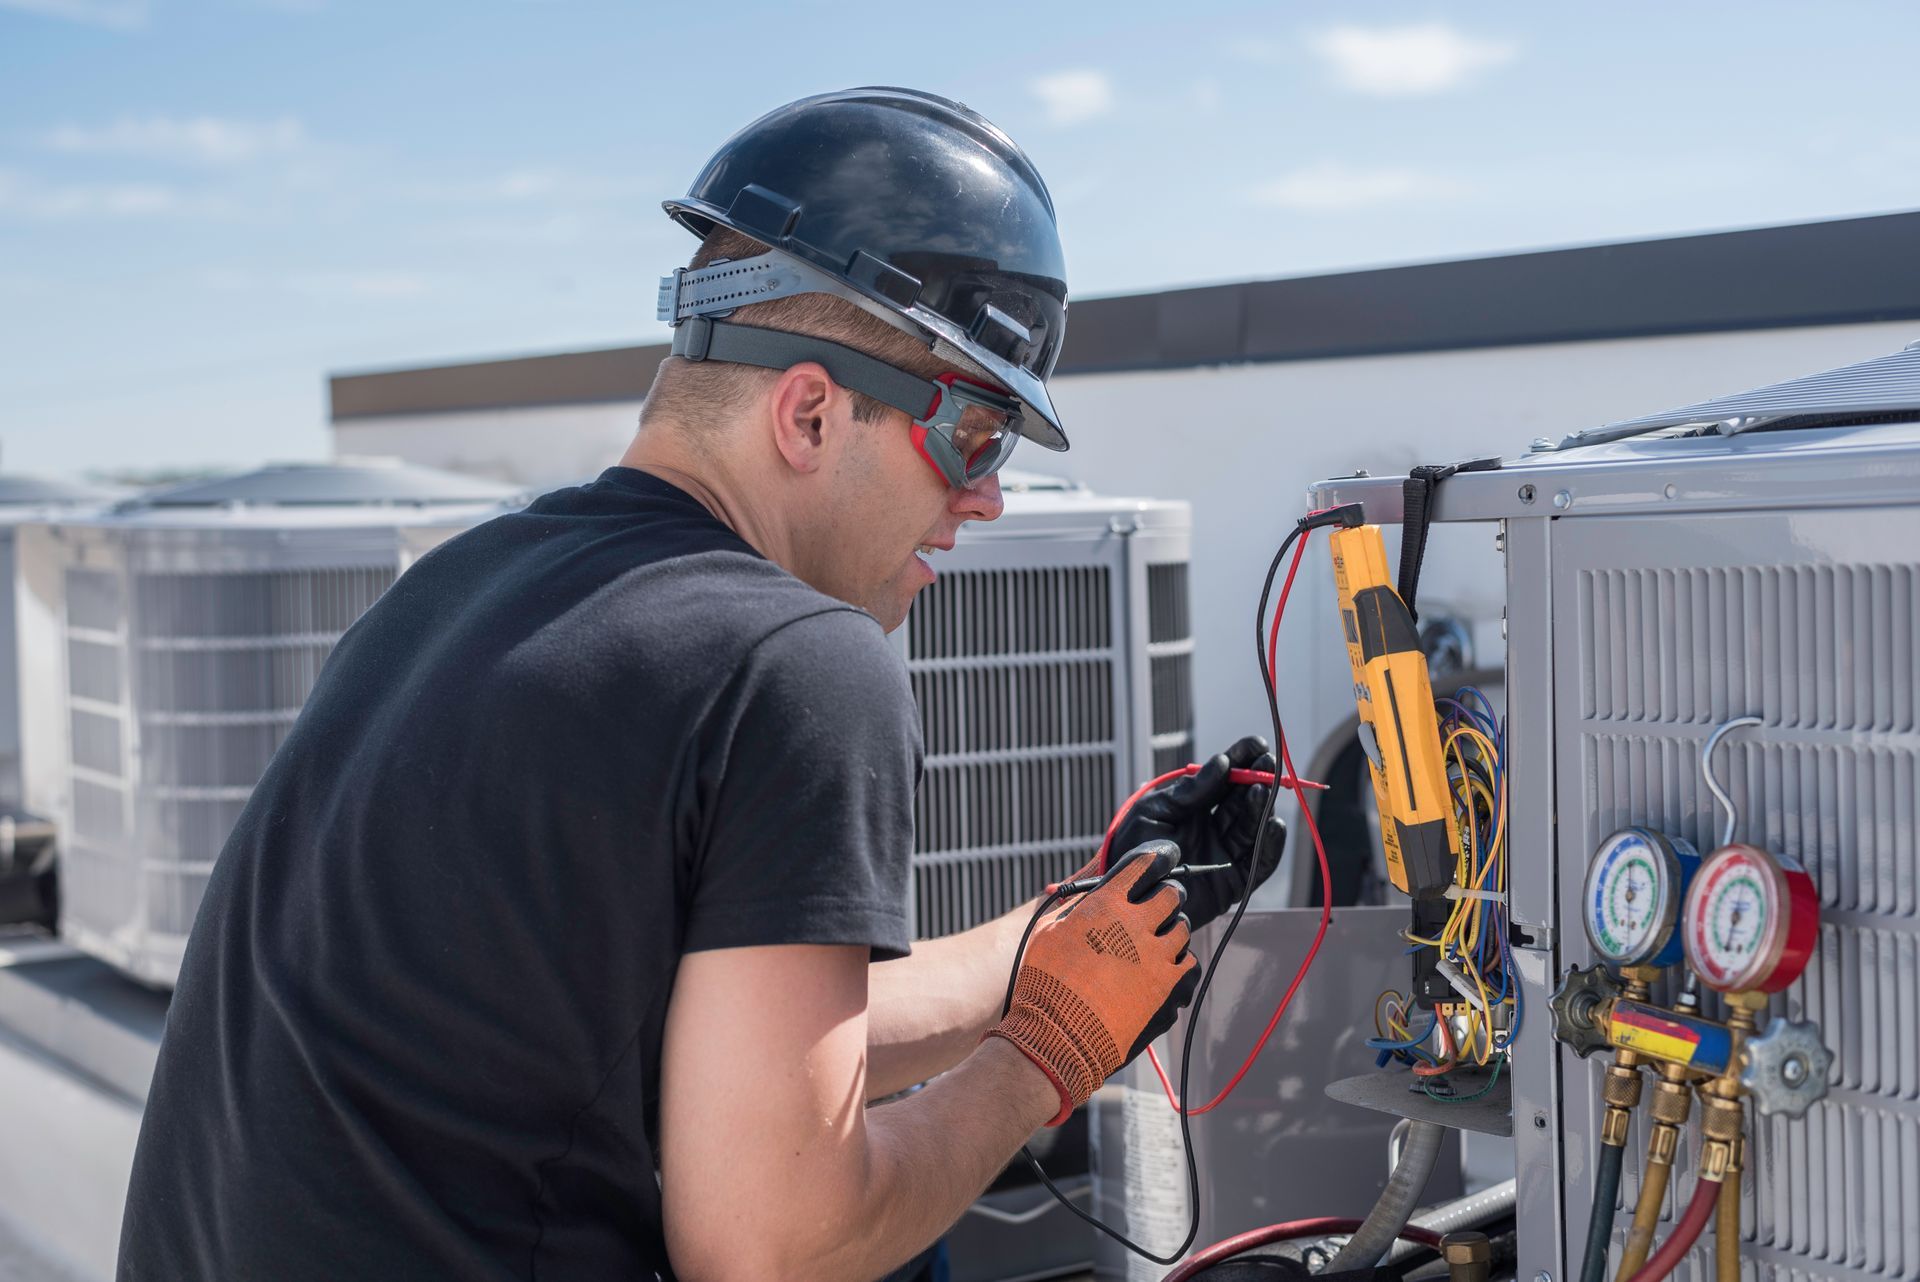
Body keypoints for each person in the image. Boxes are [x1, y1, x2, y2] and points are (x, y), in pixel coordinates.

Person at [117, 87, 1284, 1282]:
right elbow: (777, 1245)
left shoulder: (457, 593)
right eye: (974, 437)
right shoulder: (797, 664)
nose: (987, 498)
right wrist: (1046, 1053)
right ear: (811, 411)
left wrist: (1082, 923)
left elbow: (729, 1058)